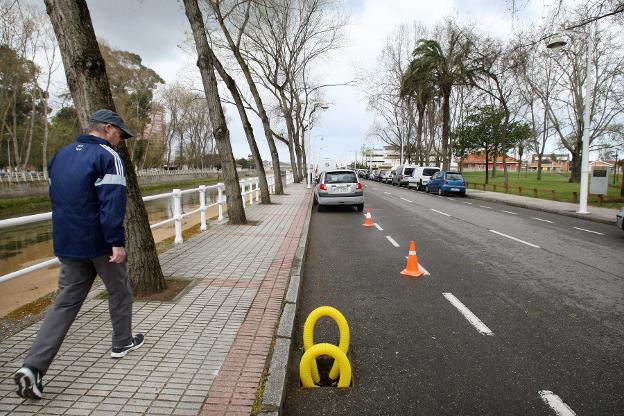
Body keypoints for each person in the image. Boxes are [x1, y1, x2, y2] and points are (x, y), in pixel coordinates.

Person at [14, 109, 144, 400]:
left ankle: (33, 367)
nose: (122, 141)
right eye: (121, 135)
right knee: (119, 290)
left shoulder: (61, 156)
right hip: (100, 243)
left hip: (68, 242)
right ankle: (122, 342)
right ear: (108, 129)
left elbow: (58, 199)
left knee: (64, 304)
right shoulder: (108, 157)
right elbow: (112, 204)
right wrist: (117, 242)